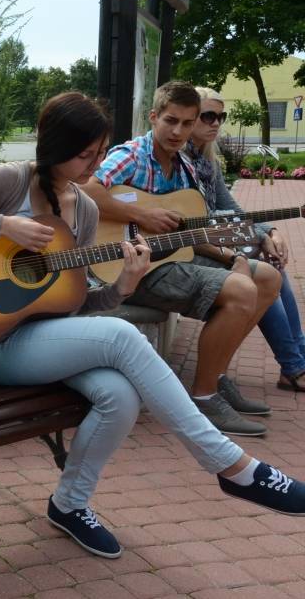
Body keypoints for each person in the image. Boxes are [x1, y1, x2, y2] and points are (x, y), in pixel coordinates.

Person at [0, 91, 305, 560]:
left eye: (101, 153)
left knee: (120, 395)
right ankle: (228, 464)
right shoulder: (9, 182)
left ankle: (69, 504)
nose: (95, 165)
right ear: (53, 143)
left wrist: (124, 285)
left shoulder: (87, 209)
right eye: (86, 154)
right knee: (124, 335)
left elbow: (76, 301)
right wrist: (2, 226)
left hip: (38, 338)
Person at [81, 80, 281, 436]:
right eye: (171, 120)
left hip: (173, 260)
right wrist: (142, 216)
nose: (178, 131)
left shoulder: (186, 168)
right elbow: (86, 192)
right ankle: (203, 399)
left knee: (266, 278)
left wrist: (229, 251)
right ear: (154, 117)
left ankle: (216, 377)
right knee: (241, 291)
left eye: (188, 123)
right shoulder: (131, 155)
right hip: (129, 267)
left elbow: (185, 236)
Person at [187, 86, 305, 392]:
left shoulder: (207, 161)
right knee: (265, 275)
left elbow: (232, 209)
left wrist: (270, 233)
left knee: (275, 268)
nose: (215, 123)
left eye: (220, 116)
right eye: (208, 115)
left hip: (213, 241)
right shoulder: (182, 163)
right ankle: (294, 366)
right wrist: (259, 237)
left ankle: (296, 364)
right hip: (191, 248)